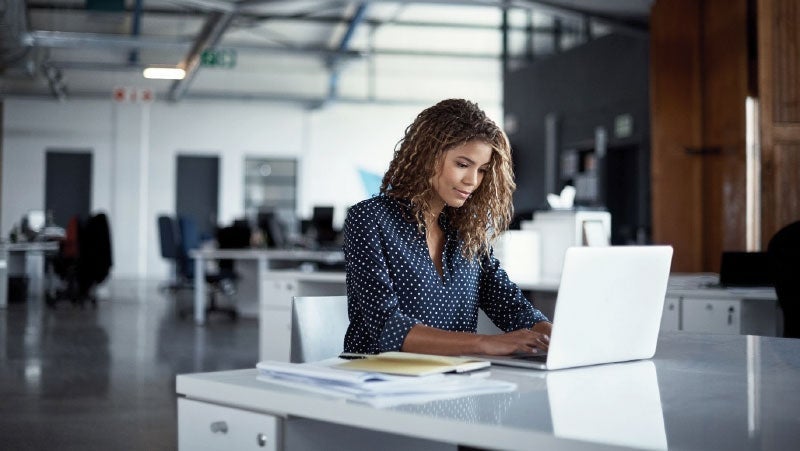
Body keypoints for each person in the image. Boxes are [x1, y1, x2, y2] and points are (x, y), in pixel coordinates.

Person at [343, 98, 552, 356]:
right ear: (427, 156)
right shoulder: (370, 219)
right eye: (462, 165)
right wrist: (485, 343)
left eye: (482, 170)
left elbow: (511, 307)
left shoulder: (466, 232)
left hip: (454, 383)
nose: (472, 181)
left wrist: (557, 337)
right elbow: (387, 326)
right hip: (379, 381)